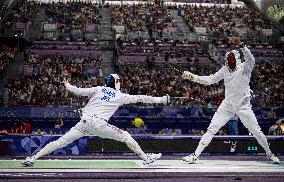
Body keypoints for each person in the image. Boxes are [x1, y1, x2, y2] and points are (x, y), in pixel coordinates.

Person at [22, 74, 169, 166]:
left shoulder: (98, 89)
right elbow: (141, 98)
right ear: (117, 83)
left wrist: (67, 85)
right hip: (99, 124)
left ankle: (33, 158)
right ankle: (145, 158)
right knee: (126, 136)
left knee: (60, 142)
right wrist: (162, 99)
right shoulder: (120, 96)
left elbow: (78, 91)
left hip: (83, 123)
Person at [181, 37, 280, 164]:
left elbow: (251, 59)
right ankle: (195, 156)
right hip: (228, 105)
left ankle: (269, 154)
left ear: (237, 60)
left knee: (256, 131)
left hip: (243, 106)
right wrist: (191, 76)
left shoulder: (245, 68)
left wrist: (242, 45)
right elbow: (209, 80)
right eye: (228, 60)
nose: (229, 62)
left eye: (232, 59)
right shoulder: (225, 70)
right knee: (212, 128)